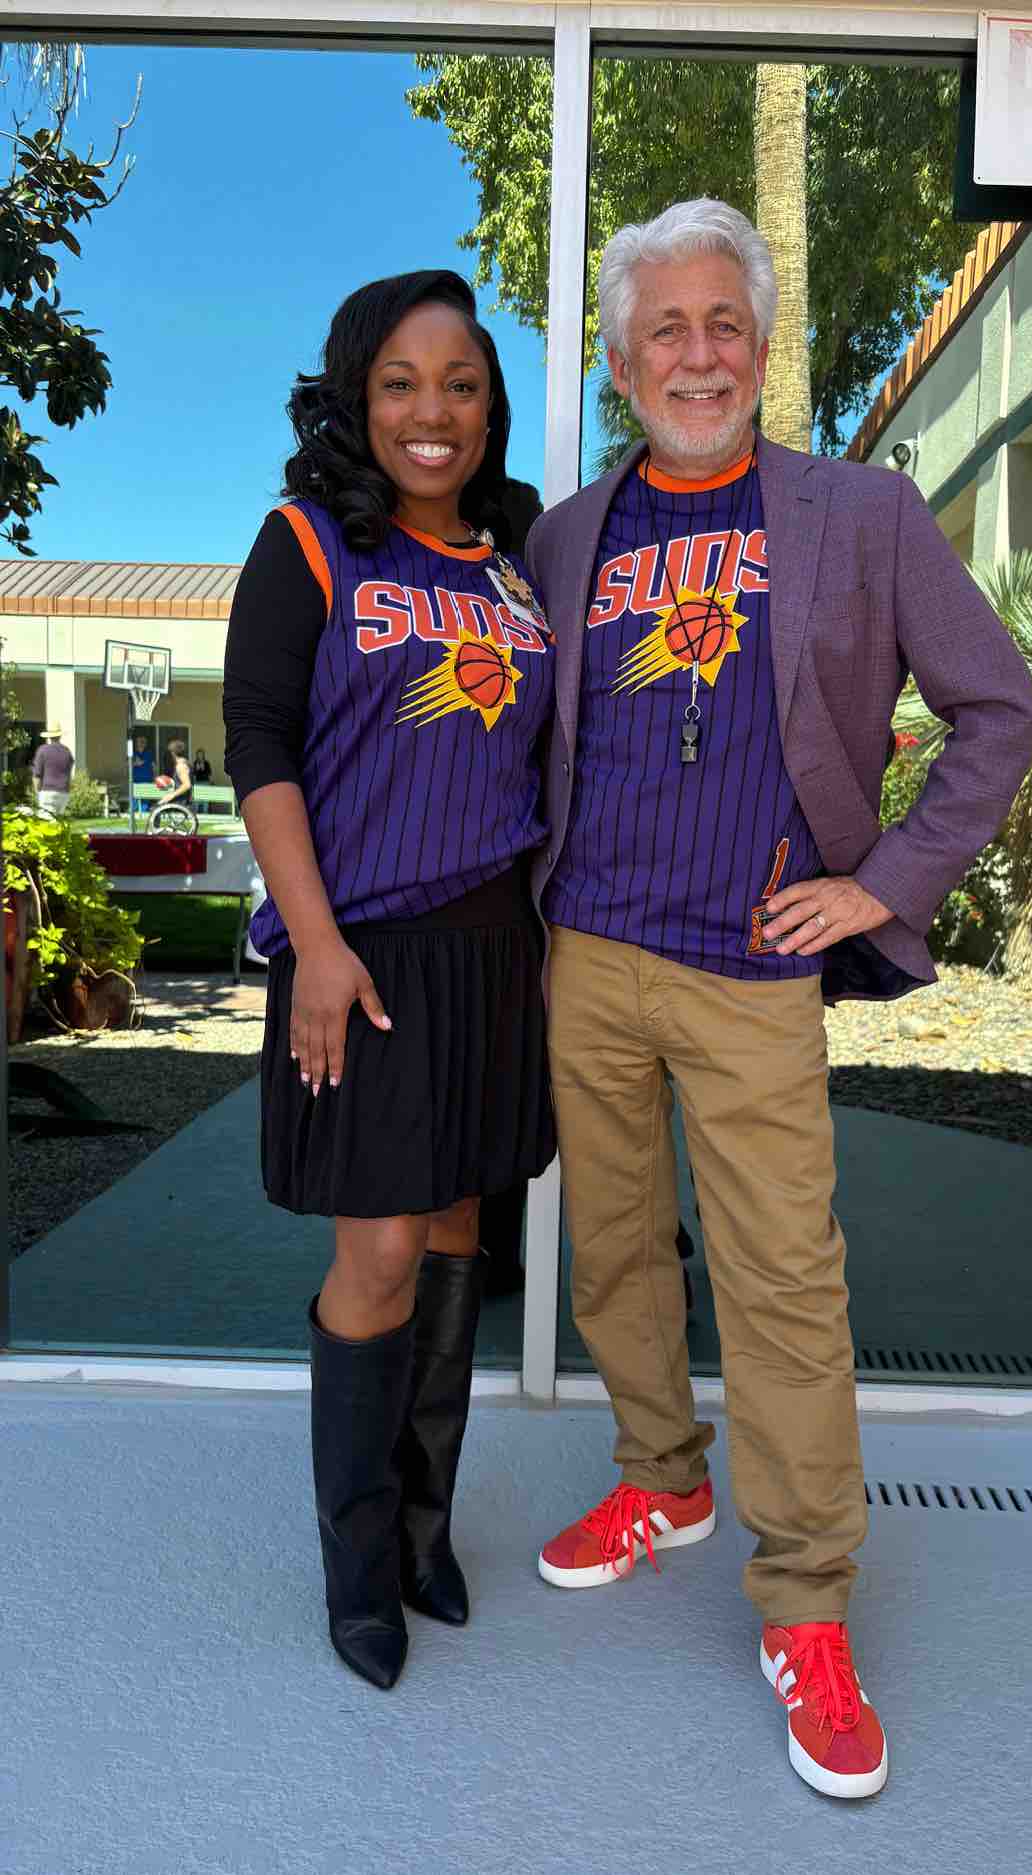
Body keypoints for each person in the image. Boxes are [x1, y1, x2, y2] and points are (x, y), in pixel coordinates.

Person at [526, 200, 1032, 1801]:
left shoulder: (858, 511)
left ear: (760, 346)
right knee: (611, 1248)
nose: (696, 351)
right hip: (587, 954)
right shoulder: (565, 533)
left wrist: (884, 880)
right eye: (663, 328)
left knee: (780, 1287)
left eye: (722, 324)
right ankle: (657, 1479)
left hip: (753, 962)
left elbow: (996, 709)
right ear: (621, 364)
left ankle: (807, 1600)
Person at [223, 269, 556, 1692]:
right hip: (362, 951)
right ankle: (357, 1557)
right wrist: (311, 939)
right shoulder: (306, 542)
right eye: (402, 382)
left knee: (461, 1229)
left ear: (488, 403)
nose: (434, 411)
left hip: (497, 955)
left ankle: (426, 1525)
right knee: (375, 1248)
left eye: (461, 382)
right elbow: (260, 741)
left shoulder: (519, 556)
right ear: (361, 396)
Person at [33, 723, 74, 815]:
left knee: (47, 823)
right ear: (60, 736)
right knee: (59, 822)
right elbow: (69, 772)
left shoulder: (42, 750)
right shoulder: (67, 751)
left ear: (49, 737)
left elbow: (37, 775)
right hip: (63, 792)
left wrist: (37, 792)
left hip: (47, 791)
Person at [131, 733, 155, 815]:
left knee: (145, 798)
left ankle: (144, 813)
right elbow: (129, 764)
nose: (141, 743)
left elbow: (151, 765)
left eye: (143, 742)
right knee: (134, 797)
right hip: (136, 779)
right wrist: (136, 762)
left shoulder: (149, 753)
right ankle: (134, 813)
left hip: (147, 779)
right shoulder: (133, 753)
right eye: (139, 741)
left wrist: (155, 777)